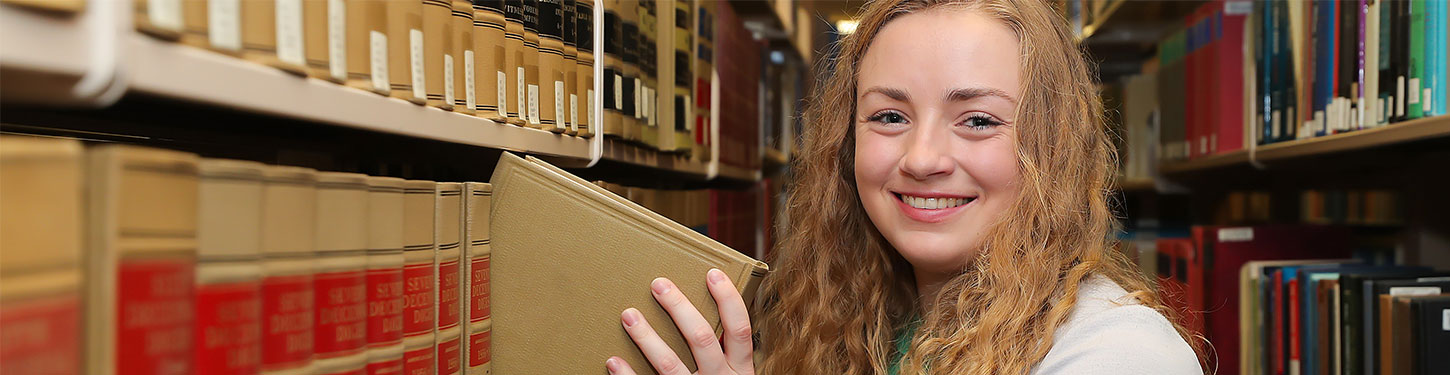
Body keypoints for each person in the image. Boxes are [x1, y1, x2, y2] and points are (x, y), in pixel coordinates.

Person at [606, 0, 1204, 374]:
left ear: (1053, 147)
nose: (921, 159)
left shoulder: (1121, 356)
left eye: (979, 120)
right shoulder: (861, 322)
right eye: (889, 116)